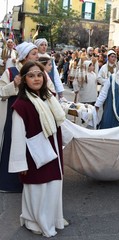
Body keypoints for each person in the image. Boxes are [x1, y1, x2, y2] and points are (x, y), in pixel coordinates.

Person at [9, 61, 68, 236]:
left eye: (39, 75)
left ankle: (52, 219)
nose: (36, 79)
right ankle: (32, 220)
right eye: (31, 75)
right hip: (34, 154)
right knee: (37, 188)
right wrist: (21, 164)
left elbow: (59, 122)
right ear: (24, 79)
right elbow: (18, 136)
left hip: (53, 150)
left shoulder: (49, 97)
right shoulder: (21, 105)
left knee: (53, 186)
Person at [0, 41, 38, 193]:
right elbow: (1, 91)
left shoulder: (37, 72)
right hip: (13, 114)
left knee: (28, 146)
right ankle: (8, 183)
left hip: (31, 115)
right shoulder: (10, 72)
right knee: (12, 144)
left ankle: (28, 182)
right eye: (34, 54)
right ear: (24, 57)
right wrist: (14, 85)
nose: (37, 57)